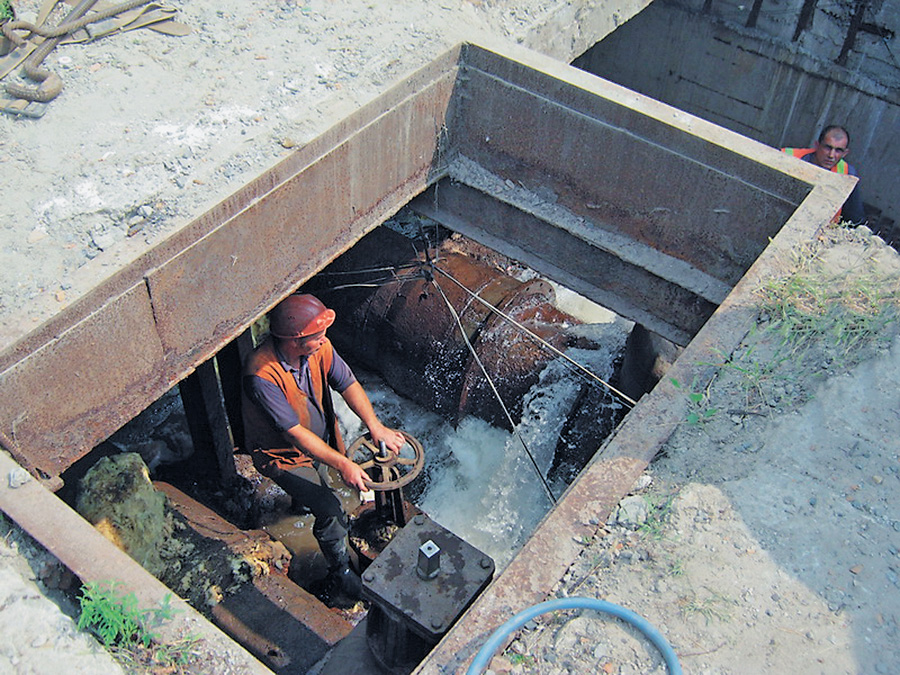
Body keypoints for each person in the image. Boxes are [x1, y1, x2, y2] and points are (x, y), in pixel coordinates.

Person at [241, 293, 405, 606]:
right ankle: (340, 572)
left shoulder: (319, 348)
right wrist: (343, 464)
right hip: (282, 456)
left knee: (318, 482)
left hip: (319, 440)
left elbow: (348, 383)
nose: (324, 340)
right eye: (317, 336)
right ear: (295, 340)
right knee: (331, 509)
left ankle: (300, 506)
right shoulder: (261, 375)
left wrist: (376, 426)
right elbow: (297, 436)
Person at [782, 125, 866, 226]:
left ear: (845, 153)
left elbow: (855, 219)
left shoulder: (847, 174)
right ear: (817, 145)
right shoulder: (788, 157)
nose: (831, 155)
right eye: (827, 147)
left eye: (838, 150)